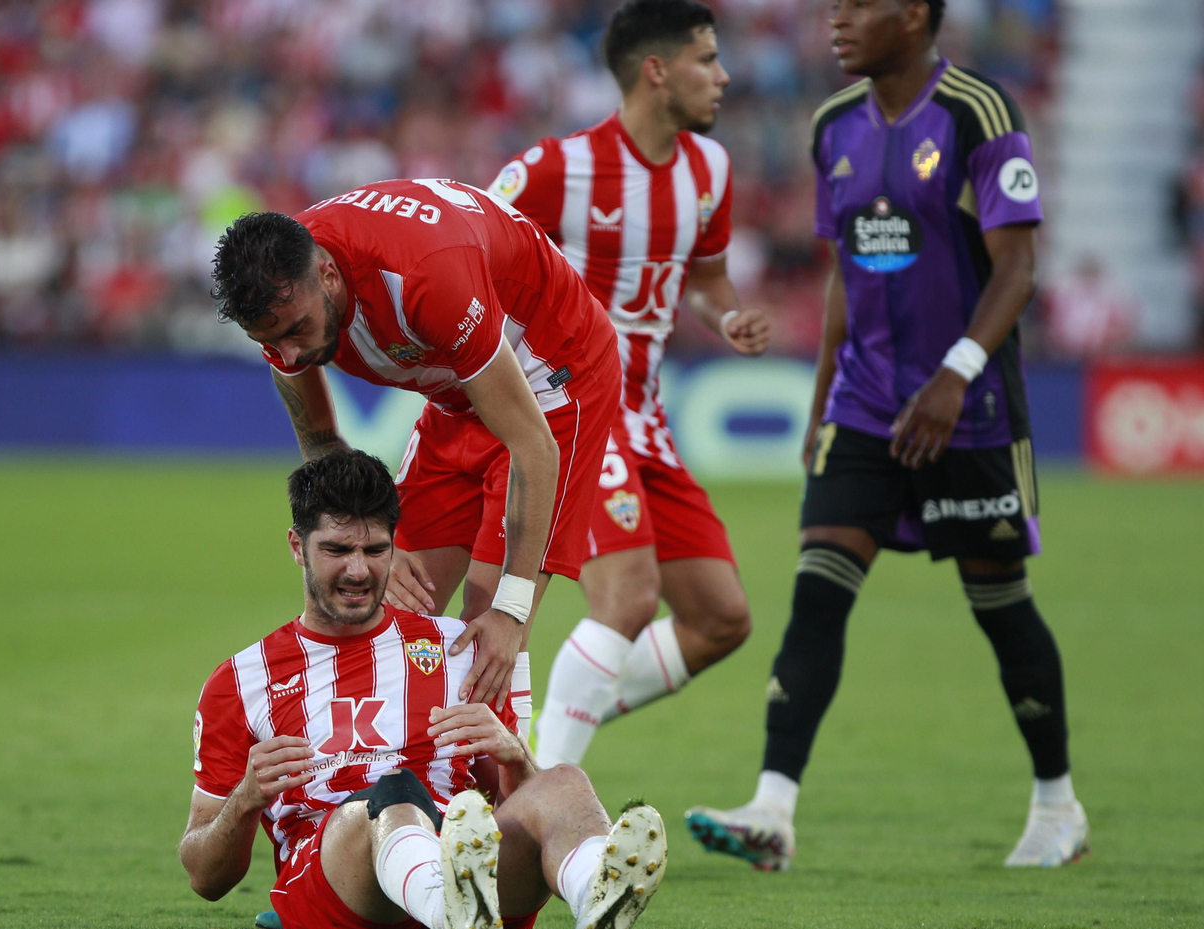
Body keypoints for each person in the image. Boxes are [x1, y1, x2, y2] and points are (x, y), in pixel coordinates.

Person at [685, 0, 1085, 869]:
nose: (836, 20)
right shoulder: (832, 125)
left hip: (968, 411)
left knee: (1000, 604)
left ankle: (1058, 806)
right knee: (818, 591)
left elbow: (1018, 266)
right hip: (865, 407)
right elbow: (845, 273)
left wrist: (956, 374)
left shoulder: (980, 112)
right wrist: (823, 402)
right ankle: (773, 809)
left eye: (858, 5)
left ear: (912, 14)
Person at [179, 450, 666, 929]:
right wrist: (246, 799)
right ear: (298, 546)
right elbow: (205, 877)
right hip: (341, 894)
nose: (358, 570)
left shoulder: (459, 649)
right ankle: (448, 907)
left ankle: (596, 896)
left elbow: (514, 806)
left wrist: (513, 759)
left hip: (473, 881)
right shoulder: (241, 681)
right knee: (391, 798)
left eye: (375, 550)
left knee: (562, 782)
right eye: (337, 549)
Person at [210, 179, 624, 736]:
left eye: (297, 332)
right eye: (270, 343)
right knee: (383, 608)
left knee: (486, 631)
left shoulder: (423, 277)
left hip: (554, 383)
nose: (291, 354)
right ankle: (383, 785)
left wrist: (513, 609)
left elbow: (533, 445)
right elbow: (323, 444)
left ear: (328, 275)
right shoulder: (282, 289)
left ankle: (510, 791)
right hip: (460, 392)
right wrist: (376, 538)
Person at [488, 0, 771, 768]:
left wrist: (726, 316)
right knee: (629, 597)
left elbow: (706, 280)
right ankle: (544, 794)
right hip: (577, 409)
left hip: (646, 416)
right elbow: (467, 243)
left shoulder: (710, 171)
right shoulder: (558, 169)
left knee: (720, 617)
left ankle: (544, 738)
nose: (723, 76)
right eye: (706, 59)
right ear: (657, 71)